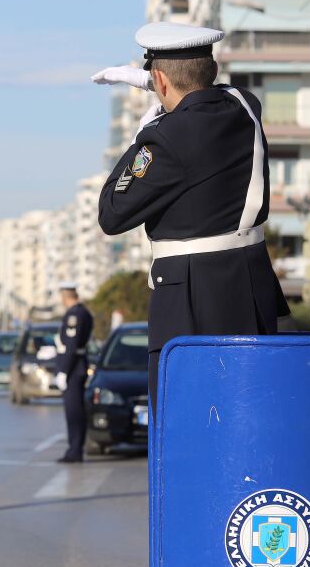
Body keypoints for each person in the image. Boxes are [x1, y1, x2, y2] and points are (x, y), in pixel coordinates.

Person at [93, 21, 289, 415]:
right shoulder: (245, 107)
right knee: (252, 417)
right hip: (251, 293)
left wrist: (141, 139)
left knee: (186, 424)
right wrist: (160, 85)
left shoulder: (165, 138)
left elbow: (111, 213)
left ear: (160, 78)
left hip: (190, 305)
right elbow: (211, 93)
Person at [54, 282, 93, 463]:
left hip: (73, 367)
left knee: (73, 411)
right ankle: (75, 448)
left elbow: (71, 344)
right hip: (77, 365)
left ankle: (75, 450)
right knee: (75, 410)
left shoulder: (74, 315)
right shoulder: (83, 312)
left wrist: (63, 371)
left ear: (65, 296)